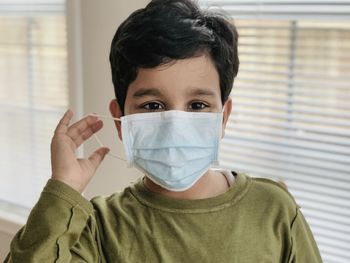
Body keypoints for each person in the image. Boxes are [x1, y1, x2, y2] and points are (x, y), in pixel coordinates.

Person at [5, 0, 322, 262]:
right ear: (120, 121)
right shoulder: (99, 227)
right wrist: (63, 190)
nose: (175, 123)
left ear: (223, 117)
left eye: (197, 105)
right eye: (152, 106)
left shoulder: (274, 210)